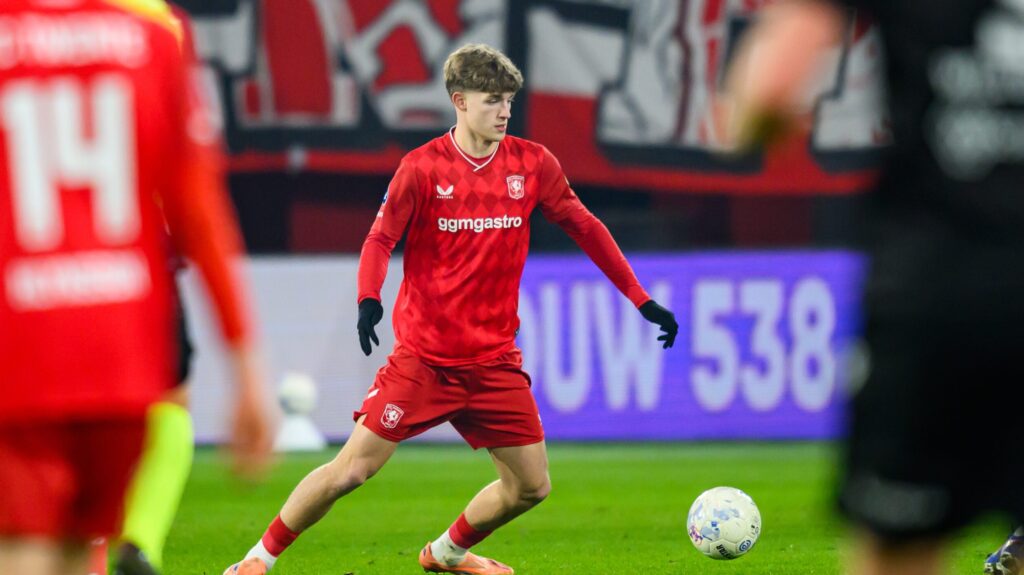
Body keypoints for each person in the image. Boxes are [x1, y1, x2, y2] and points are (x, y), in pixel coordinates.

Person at [223, 43, 679, 575]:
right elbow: (379, 239)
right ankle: (257, 560)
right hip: (425, 363)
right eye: (492, 100)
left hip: (494, 363)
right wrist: (368, 298)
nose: (504, 111)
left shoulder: (533, 164)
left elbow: (586, 227)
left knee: (531, 487)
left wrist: (640, 298)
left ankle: (446, 553)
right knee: (350, 471)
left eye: (508, 100)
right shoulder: (421, 168)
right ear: (459, 101)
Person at [722, 2, 1024, 575]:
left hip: (941, 290)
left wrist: (744, 122)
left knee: (900, 545)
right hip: (950, 285)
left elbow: (770, 93)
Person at [0, 1, 277, 574]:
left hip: (21, 335)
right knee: (79, 548)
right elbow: (199, 208)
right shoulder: (151, 35)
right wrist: (246, 363)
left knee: (22, 548)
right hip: (121, 337)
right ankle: (139, 545)